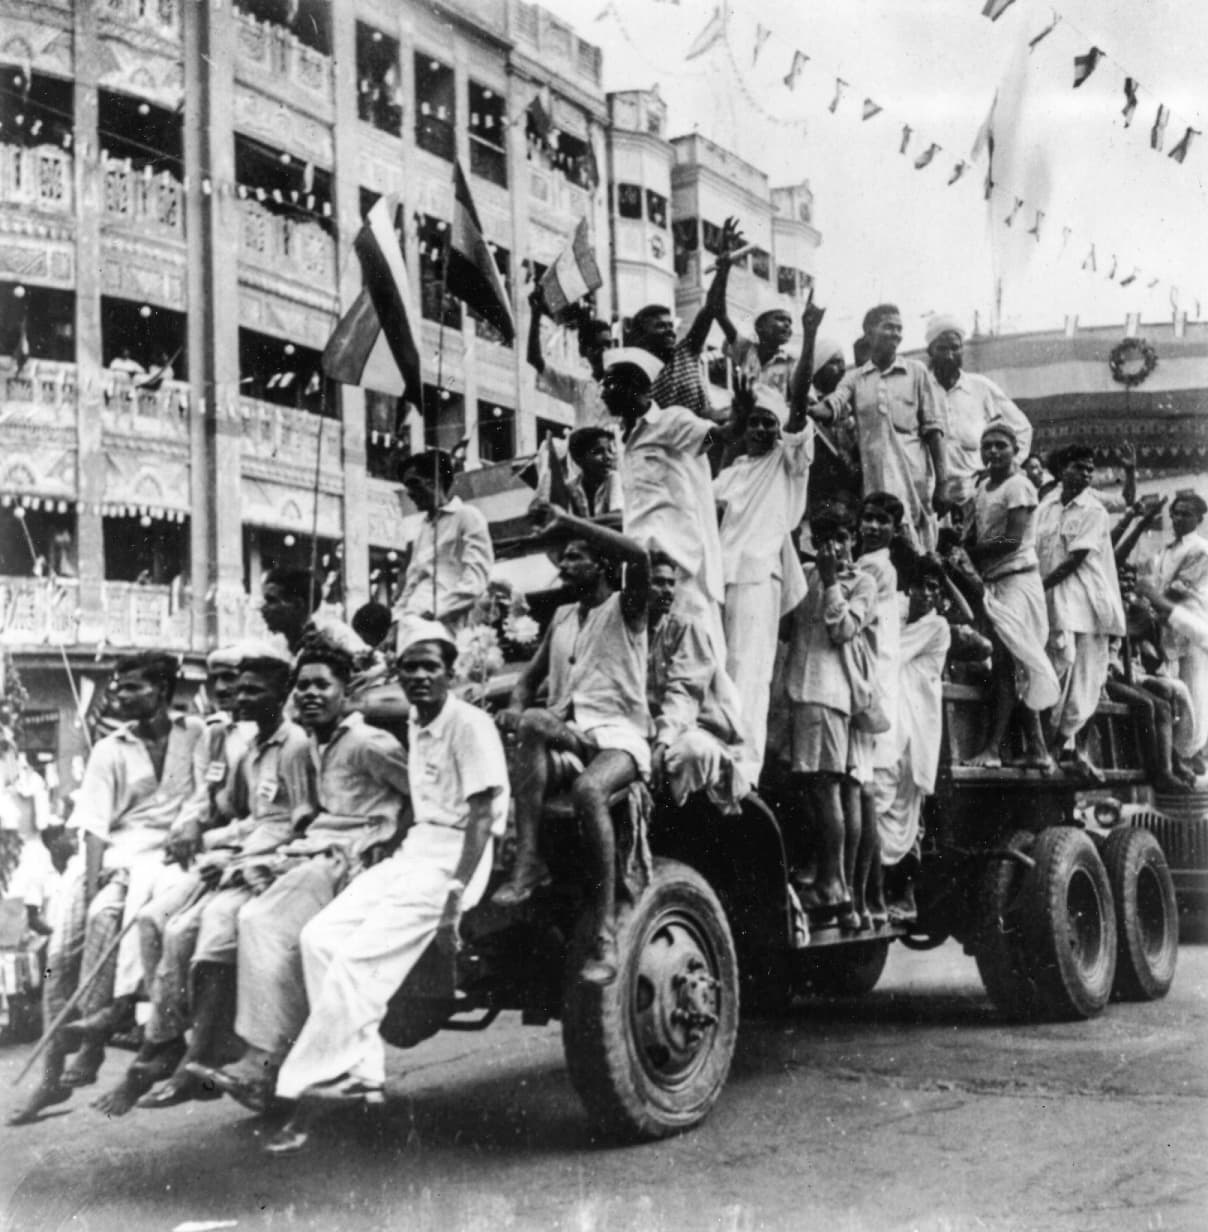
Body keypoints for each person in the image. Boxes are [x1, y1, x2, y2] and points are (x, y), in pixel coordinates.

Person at [262, 621, 508, 1156]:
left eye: (430, 667)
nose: (419, 676)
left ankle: (321, 1083)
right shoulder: (419, 722)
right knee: (320, 938)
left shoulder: (471, 724)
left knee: (358, 963)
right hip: (416, 851)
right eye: (409, 666)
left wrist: (454, 896)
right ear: (396, 671)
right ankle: (366, 1075)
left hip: (457, 857)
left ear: (451, 672)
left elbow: (483, 816)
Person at [92, 646, 312, 1116]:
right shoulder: (244, 744)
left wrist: (229, 847)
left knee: (206, 925)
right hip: (231, 853)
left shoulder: (294, 745)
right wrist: (208, 839)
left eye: (251, 687)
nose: (236, 694)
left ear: (282, 692)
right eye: (228, 683)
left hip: (265, 863)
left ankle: (200, 1054)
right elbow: (234, 810)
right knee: (155, 920)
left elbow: (298, 822)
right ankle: (165, 1038)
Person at [191, 645, 410, 1114]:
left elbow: (421, 796)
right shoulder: (315, 742)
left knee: (262, 922)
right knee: (244, 915)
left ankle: (266, 1058)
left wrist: (390, 845)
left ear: (345, 691)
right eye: (303, 686)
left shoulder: (370, 743)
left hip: (349, 858)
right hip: (315, 849)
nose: (311, 694)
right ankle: (263, 1054)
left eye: (322, 685)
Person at [9, 653, 207, 1126]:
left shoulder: (196, 734)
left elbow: (204, 797)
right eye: (116, 687)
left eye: (131, 687)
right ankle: (52, 1075)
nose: (119, 694)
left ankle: (99, 1041)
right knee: (65, 948)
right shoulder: (109, 749)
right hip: (113, 856)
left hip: (173, 856)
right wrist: (95, 879)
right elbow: (93, 826)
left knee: (115, 921)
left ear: (161, 689)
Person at [492, 504, 651, 985]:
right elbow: (527, 681)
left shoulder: (627, 608)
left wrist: (569, 521)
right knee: (533, 724)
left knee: (588, 791)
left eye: (576, 557)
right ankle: (528, 862)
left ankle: (604, 927)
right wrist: (517, 707)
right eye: (563, 558)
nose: (565, 567)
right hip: (569, 731)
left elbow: (641, 555)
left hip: (620, 737)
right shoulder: (561, 616)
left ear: (602, 565)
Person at [782, 505, 878, 930]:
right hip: (799, 693)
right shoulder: (804, 574)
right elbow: (787, 628)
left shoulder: (863, 583)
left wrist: (831, 581)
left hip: (828, 694)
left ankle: (834, 883)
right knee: (809, 785)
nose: (834, 547)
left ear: (853, 539)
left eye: (841, 538)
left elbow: (842, 629)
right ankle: (825, 877)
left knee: (826, 786)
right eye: (825, 539)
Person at [714, 382, 812, 785]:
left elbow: (801, 409)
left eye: (768, 423)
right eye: (753, 422)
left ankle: (742, 774)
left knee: (749, 673)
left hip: (758, 579)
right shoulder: (733, 472)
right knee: (719, 670)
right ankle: (717, 761)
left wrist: (808, 334)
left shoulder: (786, 463)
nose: (759, 430)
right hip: (722, 580)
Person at [605, 347, 725, 651]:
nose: (604, 392)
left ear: (639, 389)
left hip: (676, 560)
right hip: (638, 560)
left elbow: (716, 437)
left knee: (693, 645)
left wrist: (740, 419)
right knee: (648, 648)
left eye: (611, 384)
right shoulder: (620, 438)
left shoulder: (671, 421)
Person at [963, 424, 1061, 769]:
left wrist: (968, 553)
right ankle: (1036, 748)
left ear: (1014, 449)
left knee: (1012, 664)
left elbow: (1011, 541)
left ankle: (995, 749)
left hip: (1018, 582)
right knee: (1009, 666)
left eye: (1000, 446)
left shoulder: (1018, 485)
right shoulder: (982, 488)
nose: (992, 452)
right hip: (996, 583)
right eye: (986, 445)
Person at [813, 303, 949, 549]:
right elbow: (832, 406)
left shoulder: (916, 372)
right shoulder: (856, 378)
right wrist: (805, 406)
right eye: (889, 328)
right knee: (881, 545)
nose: (896, 334)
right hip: (875, 481)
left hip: (914, 480)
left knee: (918, 546)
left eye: (899, 329)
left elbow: (934, 431)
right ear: (868, 332)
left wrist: (942, 483)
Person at [1036, 445, 1126, 779]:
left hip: (1084, 601)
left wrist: (1041, 584)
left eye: (1090, 470)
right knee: (1056, 666)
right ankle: (1048, 746)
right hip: (1050, 597)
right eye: (1080, 468)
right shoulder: (1045, 507)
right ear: (1062, 470)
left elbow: (1076, 559)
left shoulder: (1093, 510)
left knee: (1082, 677)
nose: (1086, 475)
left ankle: (1057, 747)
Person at [872, 560, 952, 918]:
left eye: (935, 588)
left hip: (914, 729)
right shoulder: (902, 613)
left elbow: (889, 651)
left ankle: (905, 896)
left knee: (906, 813)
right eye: (922, 586)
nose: (927, 593)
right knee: (882, 808)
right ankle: (880, 893)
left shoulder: (936, 626)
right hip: (892, 725)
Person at [647, 554, 747, 812]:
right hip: (646, 728)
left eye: (671, 583)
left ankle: (670, 817)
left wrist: (663, 742)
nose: (667, 590)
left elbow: (685, 694)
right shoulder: (629, 630)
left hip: (692, 727)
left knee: (693, 752)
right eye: (658, 582)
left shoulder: (685, 627)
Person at [628, 217, 743, 421]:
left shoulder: (685, 352)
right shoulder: (636, 372)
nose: (670, 331)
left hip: (697, 444)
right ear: (642, 335)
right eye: (660, 326)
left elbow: (712, 308)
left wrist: (724, 268)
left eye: (670, 325)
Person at [925, 316, 1033, 518]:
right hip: (932, 497)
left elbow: (1023, 428)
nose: (949, 355)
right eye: (942, 348)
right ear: (930, 351)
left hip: (975, 493)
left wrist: (1008, 467)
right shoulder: (921, 389)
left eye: (955, 348)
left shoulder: (980, 387)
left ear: (962, 350)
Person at [1137, 491, 1208, 767]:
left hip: (1189, 625)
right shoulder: (1164, 551)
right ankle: (1176, 755)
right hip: (1165, 627)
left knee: (1196, 689)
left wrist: (1151, 599)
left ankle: (1191, 751)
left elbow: (1176, 592)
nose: (1178, 518)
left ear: (1199, 519)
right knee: (1173, 688)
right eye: (1175, 513)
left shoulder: (1200, 550)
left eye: (1185, 514)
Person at [394, 450, 494, 635]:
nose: (410, 493)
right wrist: (396, 621)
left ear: (435, 481)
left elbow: (475, 581)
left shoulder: (467, 516)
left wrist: (435, 613)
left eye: (414, 484)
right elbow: (412, 583)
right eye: (406, 486)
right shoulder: (422, 529)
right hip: (411, 625)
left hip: (445, 626)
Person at [526, 287, 612, 427]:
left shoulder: (624, 386)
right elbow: (534, 359)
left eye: (608, 345)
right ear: (584, 351)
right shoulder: (579, 387)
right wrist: (536, 314)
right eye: (597, 346)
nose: (604, 351)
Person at [565, 425, 622, 521]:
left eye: (610, 450)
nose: (608, 457)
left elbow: (618, 519)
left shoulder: (614, 479)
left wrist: (575, 524)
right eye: (597, 452)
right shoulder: (570, 487)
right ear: (578, 458)